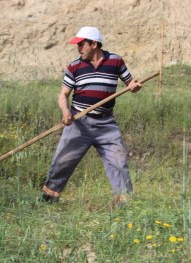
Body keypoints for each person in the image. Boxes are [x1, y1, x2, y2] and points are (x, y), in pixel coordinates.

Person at [41, 26, 142, 209]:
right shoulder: (74, 66)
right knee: (62, 160)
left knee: (119, 163)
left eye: (81, 45)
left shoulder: (116, 61)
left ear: (94, 44)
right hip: (79, 123)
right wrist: (66, 112)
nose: (78, 48)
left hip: (106, 125)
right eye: (77, 45)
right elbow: (63, 94)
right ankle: (48, 200)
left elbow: (130, 83)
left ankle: (124, 206)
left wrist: (135, 86)